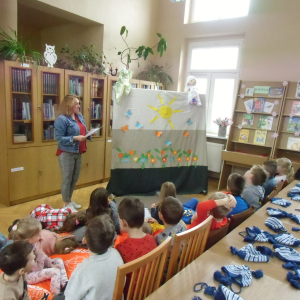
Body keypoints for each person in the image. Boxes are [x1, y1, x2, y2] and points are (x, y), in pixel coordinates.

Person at [55, 215, 124, 300]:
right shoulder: (116, 254)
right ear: (112, 240)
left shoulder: (83, 269)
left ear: (85, 240)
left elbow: (70, 298)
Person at [9, 218, 68, 295]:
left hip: (37, 265)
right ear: (28, 240)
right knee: (55, 271)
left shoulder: (33, 243)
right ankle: (56, 295)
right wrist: (40, 252)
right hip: (28, 275)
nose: (40, 237)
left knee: (58, 260)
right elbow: (38, 268)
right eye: (38, 235)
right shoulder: (25, 253)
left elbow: (43, 257)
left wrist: (50, 263)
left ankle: (64, 283)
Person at [54, 94, 92, 212]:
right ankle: (66, 204)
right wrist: (75, 138)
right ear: (69, 105)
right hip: (66, 153)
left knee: (74, 178)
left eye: (78, 103)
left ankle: (69, 200)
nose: (79, 105)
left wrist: (89, 134)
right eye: (76, 103)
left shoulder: (79, 117)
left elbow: (82, 131)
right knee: (67, 179)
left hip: (78, 152)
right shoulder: (61, 119)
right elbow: (59, 139)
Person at [115, 197, 157, 297]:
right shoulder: (152, 239)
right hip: (150, 290)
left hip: (130, 295)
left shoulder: (120, 248)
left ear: (124, 222)